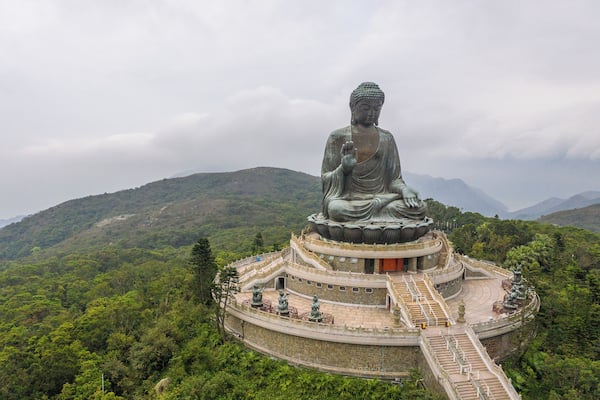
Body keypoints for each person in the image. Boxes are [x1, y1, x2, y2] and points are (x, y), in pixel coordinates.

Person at [321, 82, 427, 223]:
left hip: (383, 199)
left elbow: (394, 180)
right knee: (336, 209)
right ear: (352, 107)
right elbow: (325, 178)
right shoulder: (337, 137)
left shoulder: (387, 138)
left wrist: (404, 190)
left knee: (420, 208)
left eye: (376, 109)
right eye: (365, 108)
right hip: (350, 201)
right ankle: (383, 223)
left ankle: (376, 221)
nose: (371, 113)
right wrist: (343, 169)